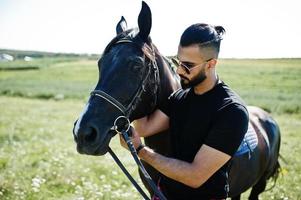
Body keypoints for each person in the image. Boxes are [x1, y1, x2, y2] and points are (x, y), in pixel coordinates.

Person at [120, 23, 249, 199]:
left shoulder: (231, 111)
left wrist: (141, 150)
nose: (179, 70)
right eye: (178, 62)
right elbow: (144, 128)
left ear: (211, 64)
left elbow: (195, 176)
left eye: (188, 65)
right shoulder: (178, 98)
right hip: (163, 193)